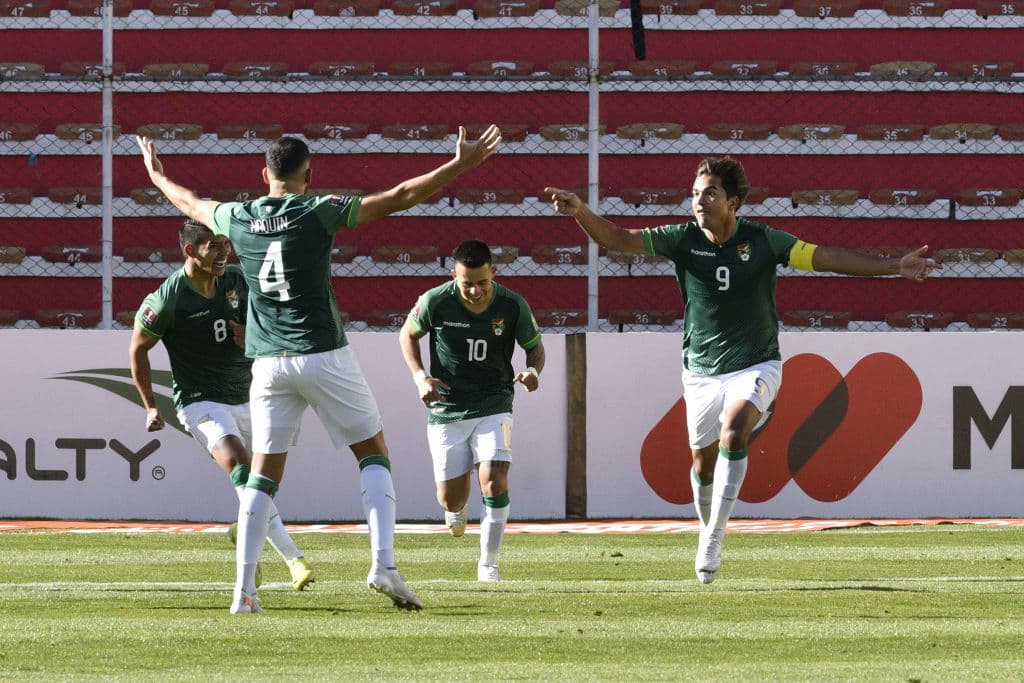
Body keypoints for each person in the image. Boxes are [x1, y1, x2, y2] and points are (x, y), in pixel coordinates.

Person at [137, 124, 502, 613]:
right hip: (322, 352)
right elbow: (400, 196)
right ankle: (383, 566)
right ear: (308, 175)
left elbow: (190, 203)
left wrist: (156, 176)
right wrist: (460, 164)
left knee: (261, 476)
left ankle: (244, 593)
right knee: (372, 453)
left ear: (264, 175)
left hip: (268, 364)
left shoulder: (237, 216)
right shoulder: (317, 210)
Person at [544, 157, 938, 584]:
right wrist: (580, 212)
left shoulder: (764, 240)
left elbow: (825, 257)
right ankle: (706, 525)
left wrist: (893, 266)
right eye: (695, 194)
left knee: (734, 430)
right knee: (703, 463)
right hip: (701, 371)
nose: (699, 201)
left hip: (756, 364)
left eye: (710, 193)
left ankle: (714, 535)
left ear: (733, 202)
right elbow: (620, 240)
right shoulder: (681, 238)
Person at [129, 219, 314, 593]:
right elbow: (138, 349)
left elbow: (273, 319)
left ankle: (243, 529)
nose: (223, 253)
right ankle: (295, 560)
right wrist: (150, 406)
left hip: (249, 396)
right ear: (190, 251)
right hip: (200, 402)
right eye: (213, 246)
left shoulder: (236, 281)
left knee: (260, 486)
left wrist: (254, 336)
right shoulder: (168, 299)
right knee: (243, 470)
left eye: (225, 245)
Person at [398, 239, 544, 583]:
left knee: (494, 480)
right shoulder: (435, 301)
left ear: (494, 272)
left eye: (483, 283)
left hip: (495, 402)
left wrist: (532, 371)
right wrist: (421, 378)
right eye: (468, 284)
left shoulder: (513, 305)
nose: (476, 291)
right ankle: (457, 508)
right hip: (447, 408)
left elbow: (535, 348)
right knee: (450, 500)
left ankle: (488, 565)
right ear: (454, 276)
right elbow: (407, 335)